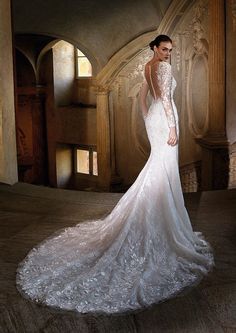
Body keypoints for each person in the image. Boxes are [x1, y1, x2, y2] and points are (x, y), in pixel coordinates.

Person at [16, 35, 214, 314]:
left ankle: (153, 213)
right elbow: (167, 101)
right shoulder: (163, 68)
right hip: (166, 121)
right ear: (155, 48)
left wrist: (148, 118)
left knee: (157, 168)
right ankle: (163, 222)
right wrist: (170, 127)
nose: (169, 53)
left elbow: (143, 97)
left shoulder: (147, 66)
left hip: (154, 120)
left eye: (171, 50)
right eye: (165, 49)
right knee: (162, 169)